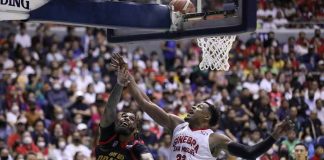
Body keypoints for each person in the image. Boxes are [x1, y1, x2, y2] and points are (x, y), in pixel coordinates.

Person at [111, 53, 295, 160]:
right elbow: (145, 103)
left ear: (207, 117)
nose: (192, 107)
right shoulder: (177, 124)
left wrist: (275, 136)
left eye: (198, 107)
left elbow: (249, 153)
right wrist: (129, 77)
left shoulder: (215, 139)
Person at [95, 63, 153, 160]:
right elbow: (109, 108)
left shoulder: (136, 147)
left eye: (131, 118)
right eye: (123, 116)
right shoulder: (109, 137)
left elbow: (147, 157)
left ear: (136, 129)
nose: (125, 118)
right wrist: (120, 84)